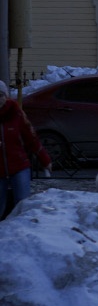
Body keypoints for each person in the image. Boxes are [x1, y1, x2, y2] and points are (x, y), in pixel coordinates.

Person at [1, 80, 51, 219]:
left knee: (22, 205)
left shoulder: (16, 113)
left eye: (0, 95)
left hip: (19, 166)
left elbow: (31, 138)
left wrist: (44, 159)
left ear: (6, 96)